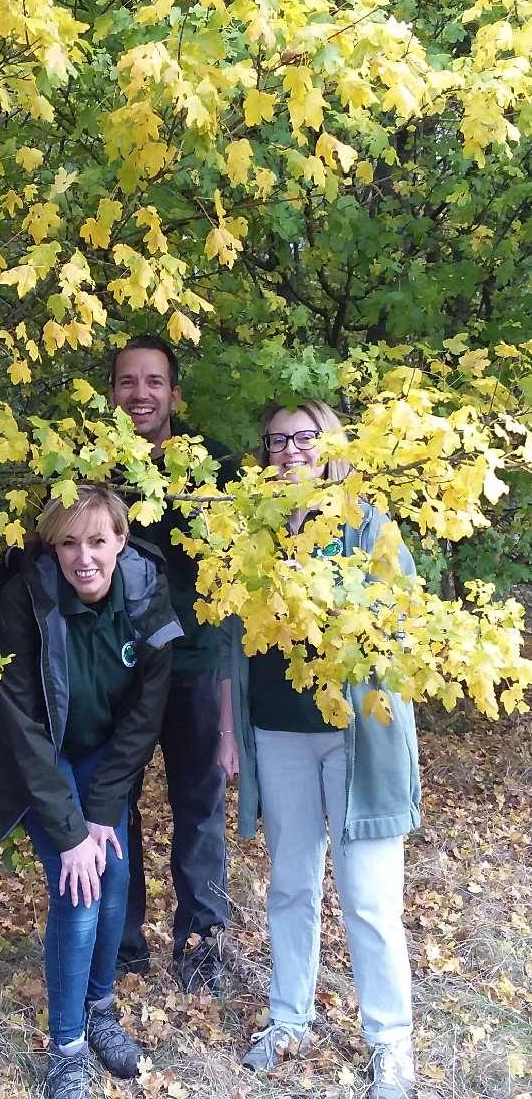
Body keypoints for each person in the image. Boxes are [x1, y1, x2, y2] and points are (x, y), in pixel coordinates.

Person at [217, 398, 420, 1099]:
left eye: (303, 439)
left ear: (331, 445)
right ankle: (287, 1020)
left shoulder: (368, 525)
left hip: (359, 740)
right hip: (278, 732)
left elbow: (405, 627)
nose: (289, 453)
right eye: (276, 442)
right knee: (291, 885)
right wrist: (228, 730)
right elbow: (230, 638)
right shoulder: (252, 530)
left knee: (368, 898)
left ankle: (391, 1044)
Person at [0, 485, 182, 1099]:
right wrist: (69, 832)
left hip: (105, 755)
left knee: (115, 874)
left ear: (120, 541)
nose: (83, 557)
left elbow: (145, 713)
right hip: (41, 755)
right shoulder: (26, 599)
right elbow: (22, 724)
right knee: (78, 885)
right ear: (52, 548)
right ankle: (66, 1048)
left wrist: (104, 809)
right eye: (68, 543)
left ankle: (99, 1009)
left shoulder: (145, 593)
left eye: (96, 541)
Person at [108, 335, 236, 992]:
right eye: (127, 382)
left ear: (174, 394)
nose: (140, 394)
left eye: (153, 381)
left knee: (199, 806)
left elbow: (237, 574)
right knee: (113, 806)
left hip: (194, 663)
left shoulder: (214, 468)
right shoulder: (91, 471)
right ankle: (120, 944)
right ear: (112, 393)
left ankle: (203, 943)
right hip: (118, 668)